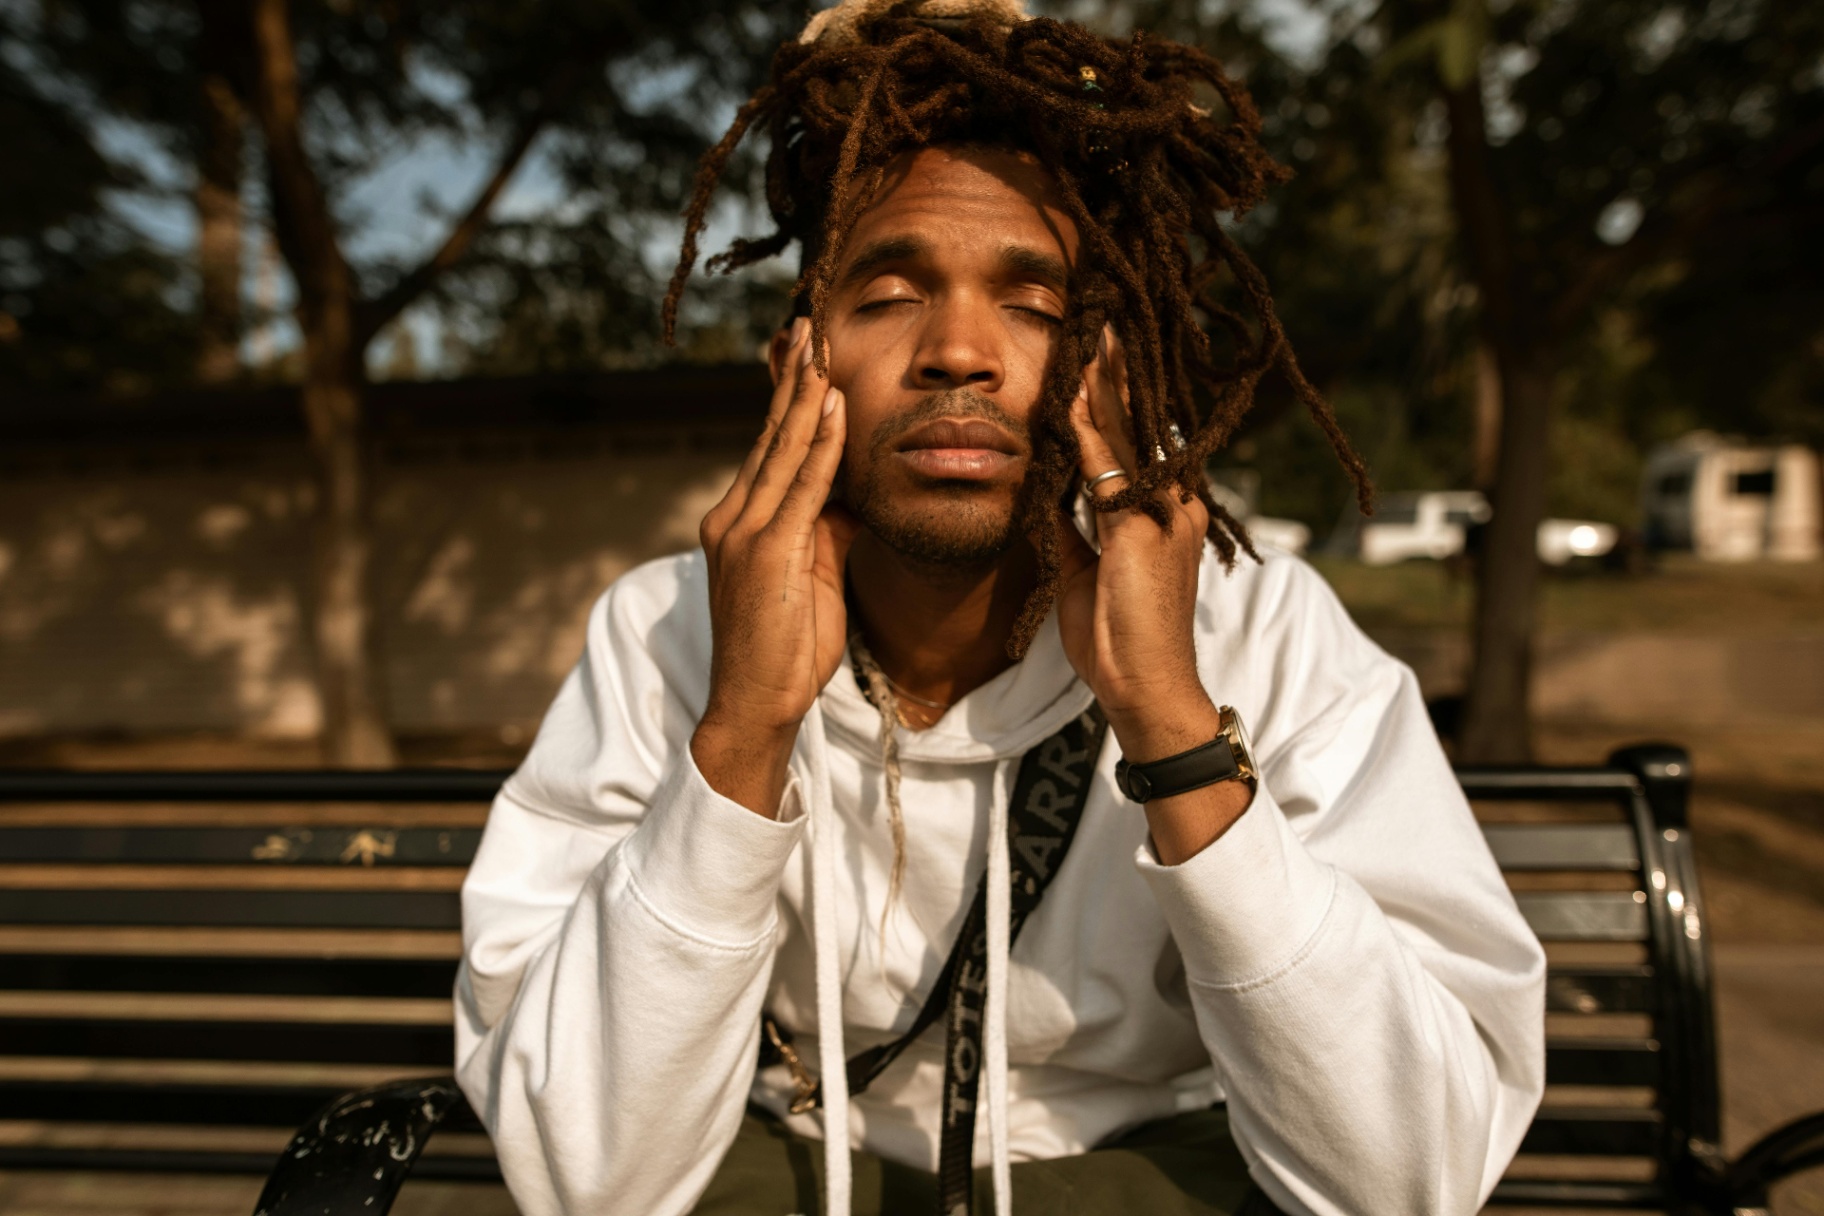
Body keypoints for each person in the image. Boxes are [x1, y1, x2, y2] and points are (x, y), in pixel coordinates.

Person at [455, 3, 1546, 1214]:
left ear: (1112, 369)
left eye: (1033, 301)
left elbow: (1410, 1177)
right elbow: (587, 1179)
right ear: (796, 366)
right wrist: (745, 733)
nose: (960, 350)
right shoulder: (666, 633)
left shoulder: (1266, 634)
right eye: (888, 293)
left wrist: (1174, 725)